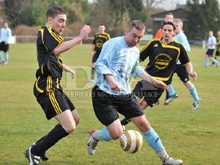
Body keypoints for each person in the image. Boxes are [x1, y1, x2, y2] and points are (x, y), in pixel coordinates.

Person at [87, 20, 183, 165]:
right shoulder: (113, 44)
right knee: (117, 133)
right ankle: (95, 136)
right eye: (134, 36)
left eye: (140, 37)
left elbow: (136, 69)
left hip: (124, 95)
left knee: (144, 124)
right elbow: (100, 64)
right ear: (127, 31)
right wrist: (111, 80)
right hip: (103, 95)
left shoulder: (135, 50)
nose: (136, 40)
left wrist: (153, 81)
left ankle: (165, 159)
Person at [24, 6, 91, 165]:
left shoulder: (51, 35)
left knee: (75, 119)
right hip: (46, 87)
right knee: (69, 126)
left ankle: (39, 147)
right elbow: (56, 50)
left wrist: (63, 66)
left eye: (65, 21)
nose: (63, 24)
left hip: (55, 86)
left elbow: (51, 55)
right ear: (49, 20)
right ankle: (34, 151)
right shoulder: (45, 31)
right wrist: (80, 37)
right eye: (60, 21)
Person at [120, 22, 197, 127]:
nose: (167, 32)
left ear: (174, 32)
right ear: (161, 31)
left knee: (142, 106)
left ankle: (122, 124)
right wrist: (126, 66)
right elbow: (138, 58)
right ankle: (117, 122)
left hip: (161, 84)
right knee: (133, 102)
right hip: (147, 79)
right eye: (165, 30)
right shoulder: (153, 44)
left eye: (170, 30)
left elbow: (187, 63)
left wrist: (191, 71)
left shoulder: (178, 47)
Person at [164, 19, 201, 110]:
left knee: (186, 82)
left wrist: (178, 51)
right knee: (164, 78)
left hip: (180, 64)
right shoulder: (174, 36)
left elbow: (188, 49)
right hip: (173, 63)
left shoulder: (181, 37)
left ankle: (196, 99)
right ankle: (172, 93)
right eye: (174, 26)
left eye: (177, 26)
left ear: (181, 27)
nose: (175, 28)